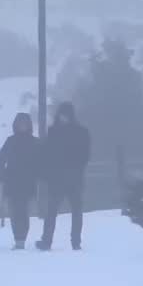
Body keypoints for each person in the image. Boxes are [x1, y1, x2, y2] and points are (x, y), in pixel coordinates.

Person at [37, 102, 91, 251]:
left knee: (74, 211)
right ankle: (47, 241)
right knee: (52, 211)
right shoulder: (55, 132)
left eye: (65, 114)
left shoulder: (79, 132)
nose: (63, 118)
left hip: (70, 177)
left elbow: (85, 155)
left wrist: (75, 167)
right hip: (59, 178)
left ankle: (75, 242)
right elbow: (46, 155)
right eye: (62, 114)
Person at [0, 112, 41, 249]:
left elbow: (42, 161)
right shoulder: (10, 141)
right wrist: (2, 176)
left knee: (24, 212)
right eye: (20, 123)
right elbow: (0, 159)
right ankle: (18, 239)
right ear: (16, 125)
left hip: (28, 182)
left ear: (29, 125)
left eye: (25, 123)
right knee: (15, 212)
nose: (22, 126)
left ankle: (21, 240)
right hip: (12, 182)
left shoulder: (35, 142)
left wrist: (38, 174)